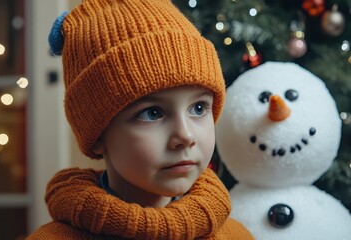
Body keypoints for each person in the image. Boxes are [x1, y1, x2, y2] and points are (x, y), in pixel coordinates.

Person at [27, 0, 254, 239]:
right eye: (152, 113)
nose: (185, 136)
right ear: (97, 133)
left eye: (198, 108)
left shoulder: (235, 235)